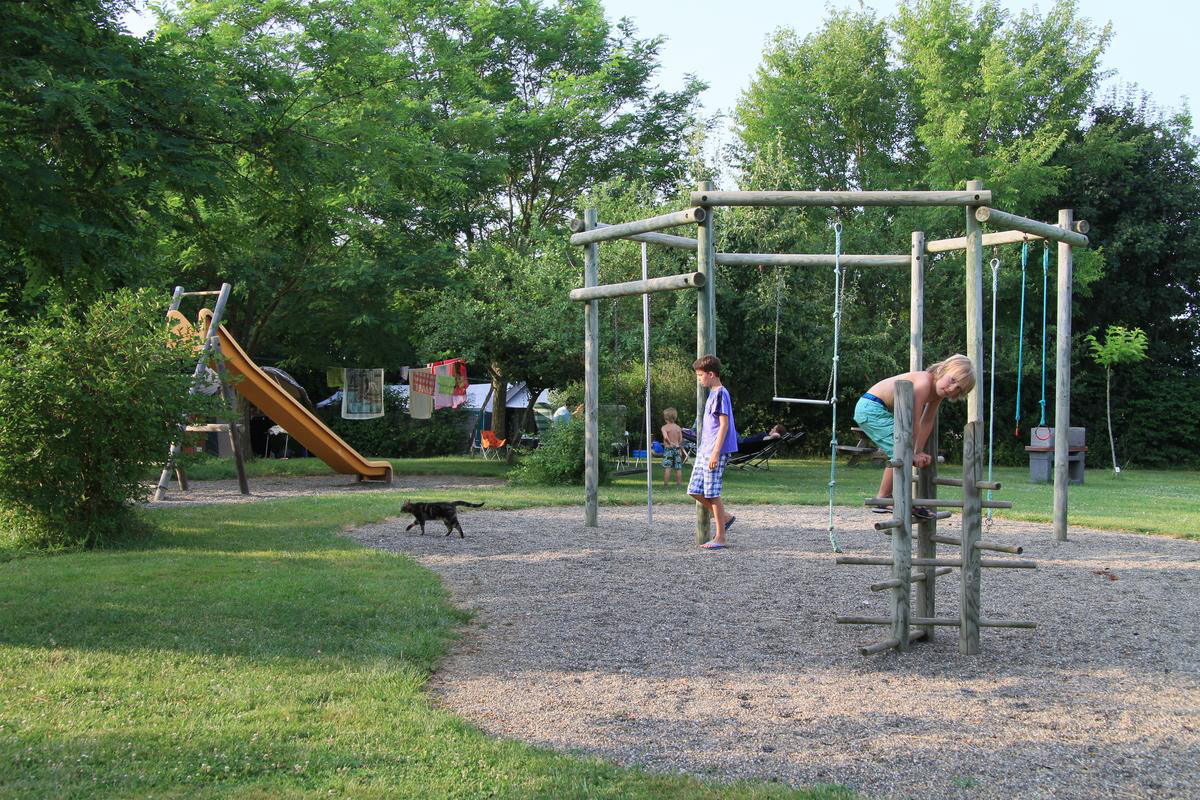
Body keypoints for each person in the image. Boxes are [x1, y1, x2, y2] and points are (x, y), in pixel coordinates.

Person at [854, 354, 975, 520]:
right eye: (953, 380)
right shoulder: (924, 382)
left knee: (904, 450)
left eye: (959, 389)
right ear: (942, 369)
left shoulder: (937, 394)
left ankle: (897, 498)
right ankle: (884, 497)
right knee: (901, 449)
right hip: (871, 408)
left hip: (879, 410)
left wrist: (917, 450)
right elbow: (913, 421)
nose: (952, 389)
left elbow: (927, 421)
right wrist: (913, 452)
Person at [688, 354, 738, 549]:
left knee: (712, 493)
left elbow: (724, 425)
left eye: (700, 375)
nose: (699, 379)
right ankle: (725, 517)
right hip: (705, 449)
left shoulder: (720, 394)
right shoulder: (712, 393)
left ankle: (721, 537)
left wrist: (716, 453)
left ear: (711, 374)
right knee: (694, 489)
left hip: (715, 451)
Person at [660, 407, 686, 487]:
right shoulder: (678, 428)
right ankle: (678, 485)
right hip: (677, 449)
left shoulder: (664, 427)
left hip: (668, 449)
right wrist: (681, 449)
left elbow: (665, 437)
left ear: (665, 417)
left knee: (667, 468)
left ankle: (666, 485)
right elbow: (681, 440)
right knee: (678, 468)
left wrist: (670, 443)